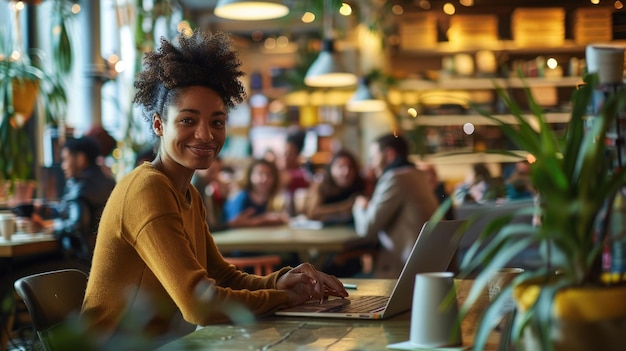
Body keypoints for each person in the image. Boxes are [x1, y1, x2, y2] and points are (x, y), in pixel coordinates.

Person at [80, 30, 347, 348]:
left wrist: (283, 280)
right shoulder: (147, 188)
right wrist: (282, 297)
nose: (205, 135)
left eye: (217, 122)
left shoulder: (187, 193)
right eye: (188, 120)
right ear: (158, 124)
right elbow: (198, 305)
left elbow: (222, 277)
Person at [352, 133, 439, 279]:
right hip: (425, 266)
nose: (372, 165)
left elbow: (367, 229)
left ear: (389, 154)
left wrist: (358, 206)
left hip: (401, 272)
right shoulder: (417, 174)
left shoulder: (395, 178)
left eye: (374, 158)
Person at [34, 137, 116, 263]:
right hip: (109, 257)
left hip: (82, 262)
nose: (63, 166)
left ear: (80, 159)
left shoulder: (81, 186)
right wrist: (47, 209)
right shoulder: (109, 182)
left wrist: (47, 227)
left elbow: (77, 224)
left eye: (65, 160)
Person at [304, 149, 366, 225]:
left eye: (350, 167)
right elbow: (312, 212)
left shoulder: (360, 185)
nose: (346, 172)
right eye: (340, 166)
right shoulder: (322, 184)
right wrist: (345, 207)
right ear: (331, 169)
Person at [223, 158, 289, 228]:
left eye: (269, 175)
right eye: (260, 174)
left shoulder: (271, 199)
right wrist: (264, 220)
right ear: (250, 176)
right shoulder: (241, 198)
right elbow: (233, 224)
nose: (264, 179)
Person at [278, 129, 311, 216]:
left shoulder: (299, 174)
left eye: (289, 154)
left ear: (297, 156)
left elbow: (284, 180)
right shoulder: (280, 172)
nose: (285, 157)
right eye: (284, 153)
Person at [192, 157, 230, 232]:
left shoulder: (207, 189)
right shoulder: (195, 190)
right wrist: (231, 224)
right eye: (211, 171)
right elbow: (208, 226)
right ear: (198, 168)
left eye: (218, 171)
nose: (215, 176)